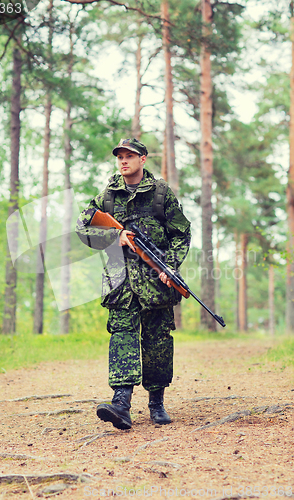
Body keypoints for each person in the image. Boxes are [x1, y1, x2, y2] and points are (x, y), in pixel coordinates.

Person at [76, 138, 191, 430]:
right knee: (122, 338)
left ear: (143, 159)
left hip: (156, 282)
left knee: (158, 343)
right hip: (120, 283)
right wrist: (116, 238)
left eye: (130, 156)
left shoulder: (161, 193)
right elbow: (83, 228)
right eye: (120, 157)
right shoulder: (107, 196)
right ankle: (121, 404)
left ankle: (156, 403)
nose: (124, 161)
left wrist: (171, 267)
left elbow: (181, 233)